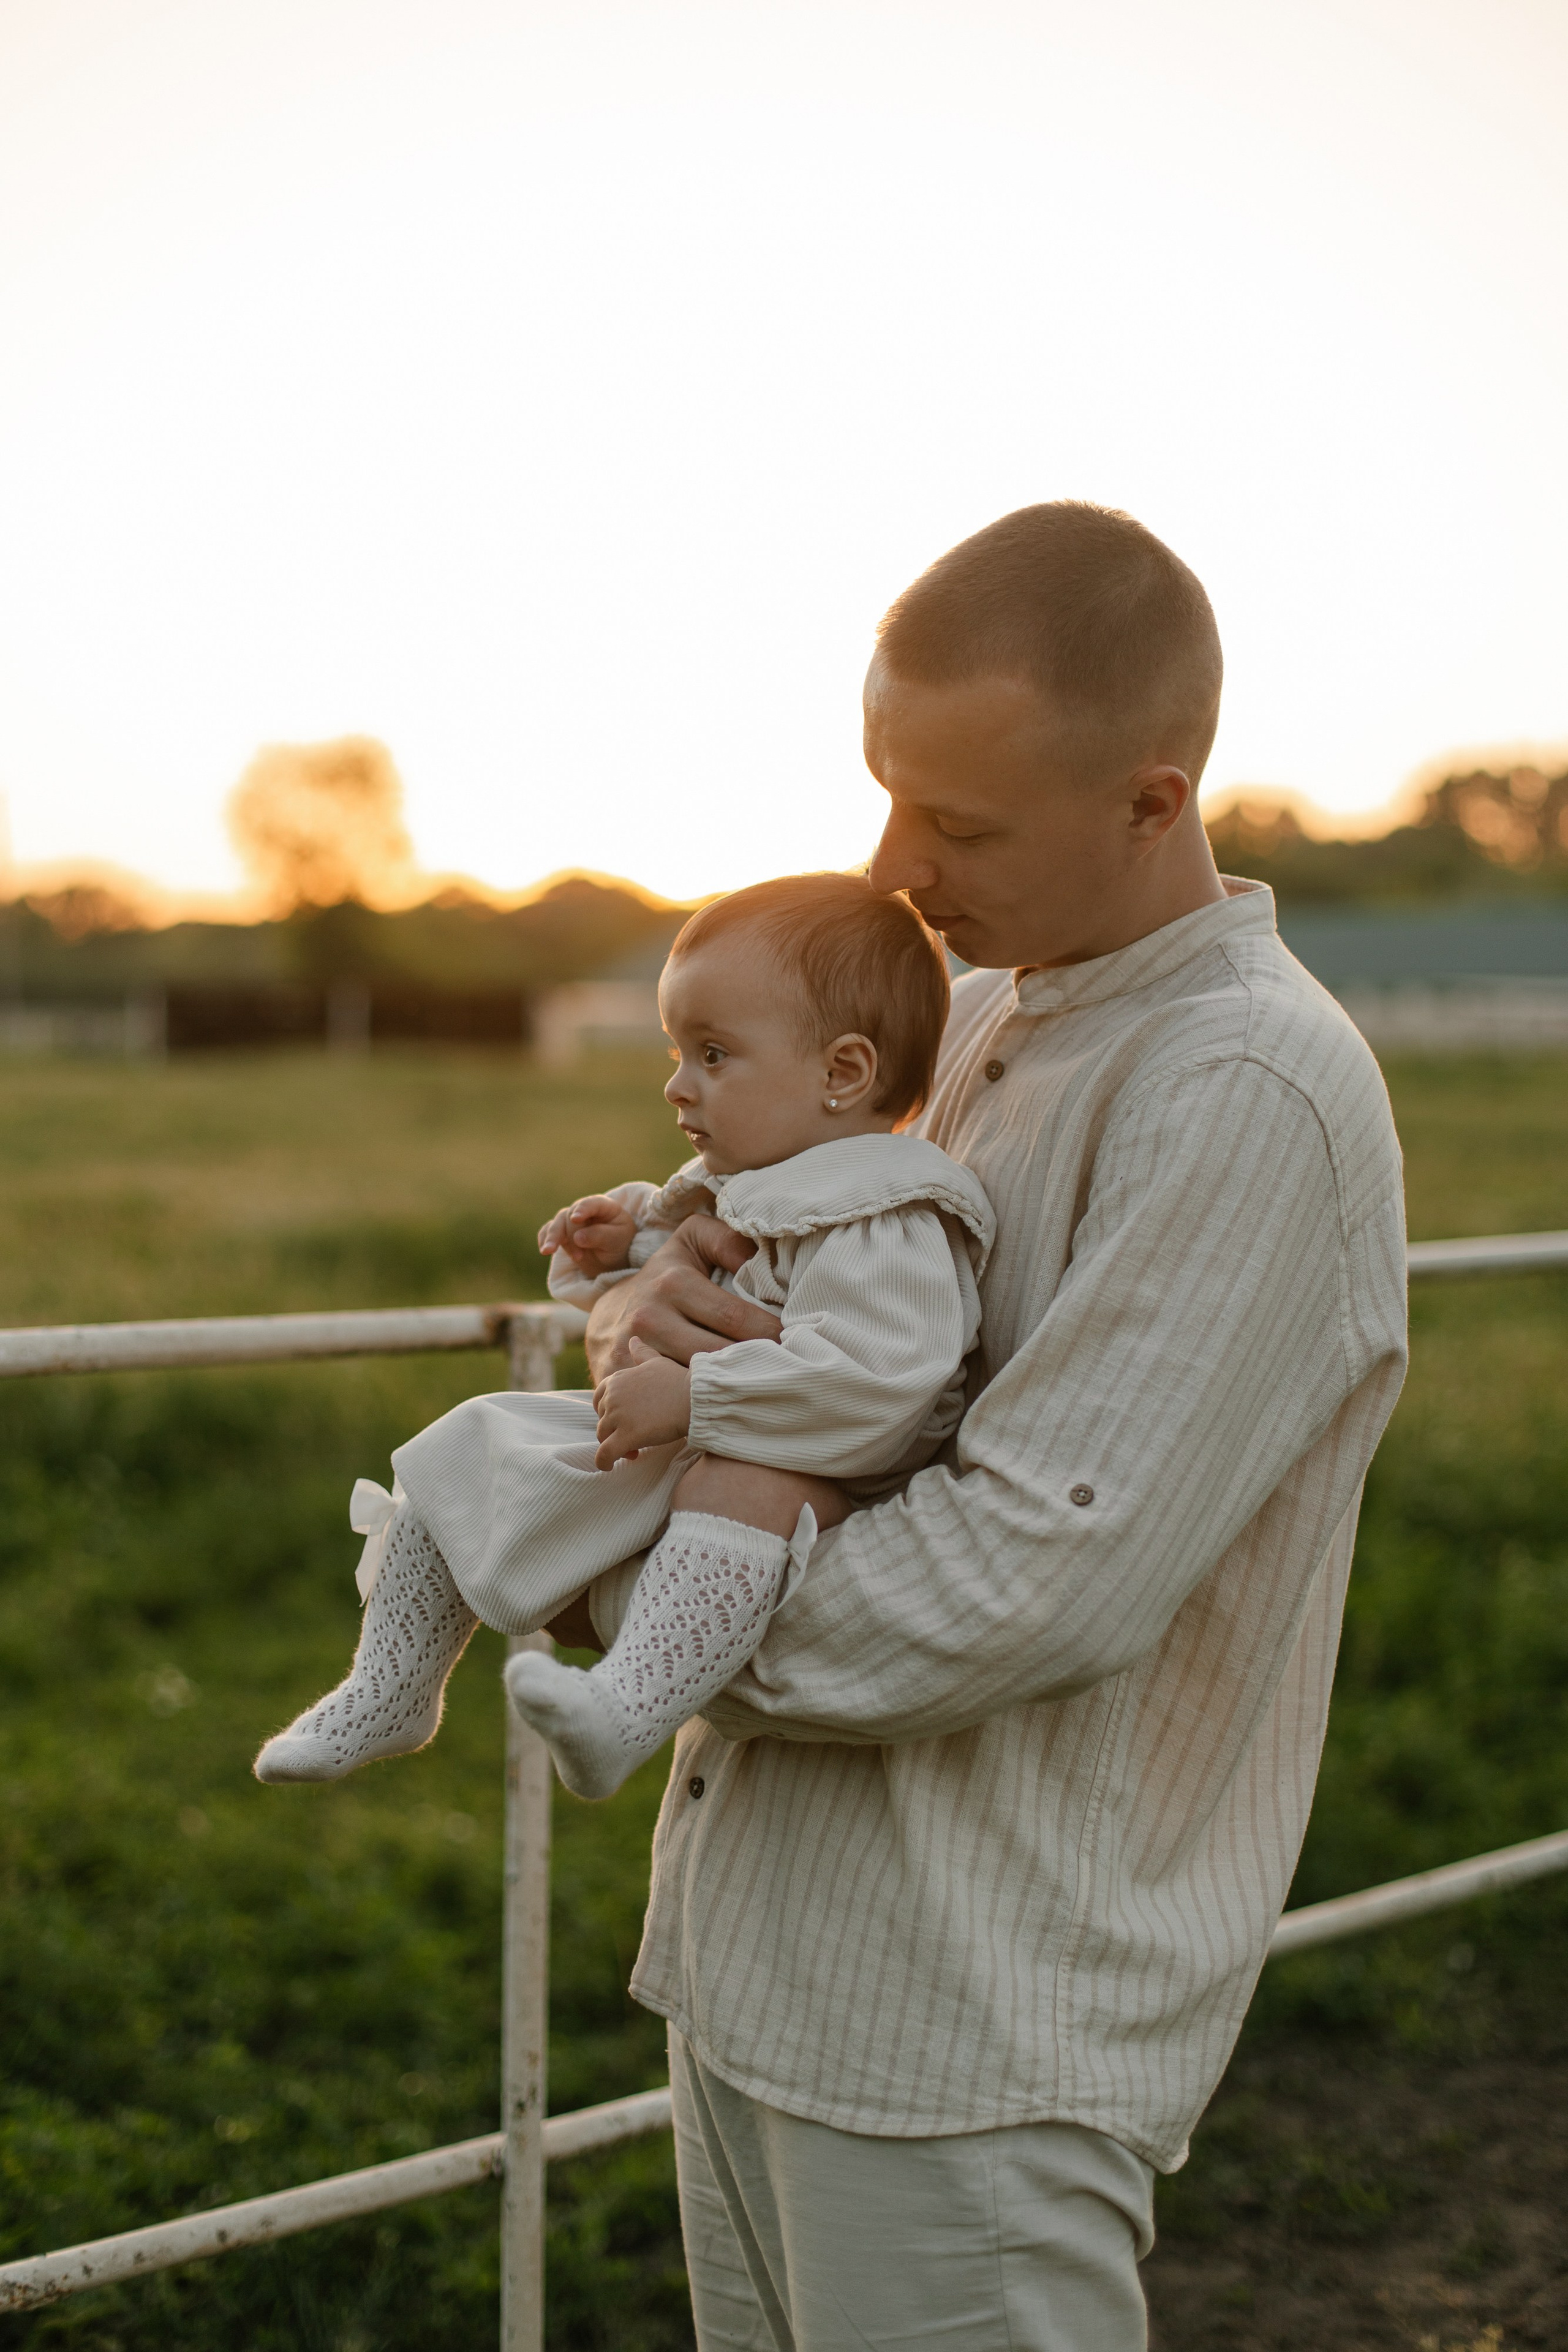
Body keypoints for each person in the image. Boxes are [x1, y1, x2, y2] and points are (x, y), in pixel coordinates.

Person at [557, 502, 1410, 2351]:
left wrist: (616, 1601)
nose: (893, 867)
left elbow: (1023, 1579)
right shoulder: (951, 1023)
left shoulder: (1242, 1083)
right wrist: (637, 1306)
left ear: (1150, 800)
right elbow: (741, 1290)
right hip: (761, 1961)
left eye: (959, 824)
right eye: (886, 795)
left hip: (975, 2033)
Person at [252, 873, 993, 1801]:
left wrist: (697, 1396)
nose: (677, 1085)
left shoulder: (887, 1220)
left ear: (842, 1074)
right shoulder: (776, 1180)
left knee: (742, 1487)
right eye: (679, 1052)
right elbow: (728, 1257)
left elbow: (879, 1383)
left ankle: (625, 1709)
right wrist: (629, 1241)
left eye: (714, 1054)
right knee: (474, 1438)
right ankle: (389, 1685)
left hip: (821, 1468)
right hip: (706, 1427)